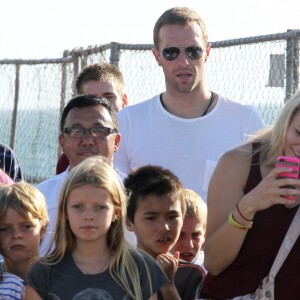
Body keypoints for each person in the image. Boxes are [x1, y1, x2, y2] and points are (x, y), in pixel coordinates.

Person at [114, 6, 264, 202]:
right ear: (157, 56)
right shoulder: (128, 122)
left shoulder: (245, 121)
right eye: (171, 52)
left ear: (207, 52)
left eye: (193, 51)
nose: (183, 61)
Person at [201, 90, 300, 299]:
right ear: (286, 122)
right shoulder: (239, 163)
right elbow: (213, 263)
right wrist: (249, 205)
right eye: (299, 133)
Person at [25, 156, 168, 299]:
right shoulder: (42, 274)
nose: (88, 216)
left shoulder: (141, 268)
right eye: (78, 206)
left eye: (100, 207)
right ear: (65, 211)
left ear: (116, 212)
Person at [38, 94, 122, 255]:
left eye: (99, 130)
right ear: (62, 142)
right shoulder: (41, 198)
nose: (88, 140)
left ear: (116, 142)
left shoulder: (136, 194)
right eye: (76, 131)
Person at [124, 165, 205, 300]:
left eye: (172, 217)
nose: (164, 227)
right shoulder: (114, 269)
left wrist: (168, 285)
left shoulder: (191, 274)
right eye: (151, 218)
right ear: (129, 222)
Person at [56, 62, 128, 174]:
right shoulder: (68, 160)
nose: (100, 104)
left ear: (124, 100)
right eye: (92, 98)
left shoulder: (142, 143)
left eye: (109, 97)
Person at [171, 188, 207, 269]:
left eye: (195, 235)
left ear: (204, 235)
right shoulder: (149, 267)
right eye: (180, 234)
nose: (188, 245)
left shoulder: (210, 269)